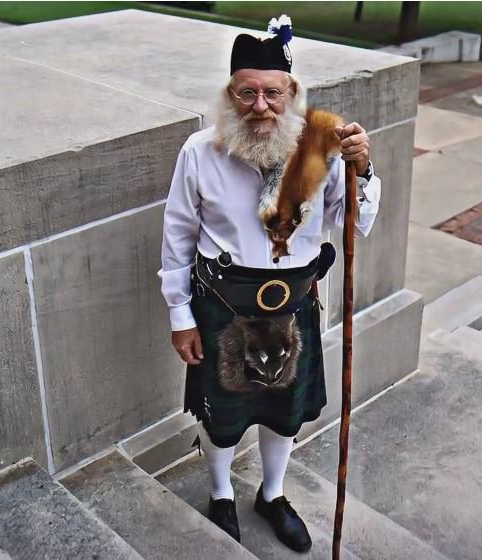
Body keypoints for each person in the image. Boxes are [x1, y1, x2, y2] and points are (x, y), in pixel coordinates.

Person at [157, 15, 381, 553]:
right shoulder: (199, 151)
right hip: (221, 308)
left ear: (292, 93)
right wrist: (181, 315)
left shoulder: (322, 149)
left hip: (294, 309)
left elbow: (355, 222)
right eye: (247, 93)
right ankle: (221, 494)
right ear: (230, 95)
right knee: (221, 417)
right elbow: (178, 236)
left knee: (285, 414)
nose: (260, 106)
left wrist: (364, 170)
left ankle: (272, 495)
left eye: (272, 93)